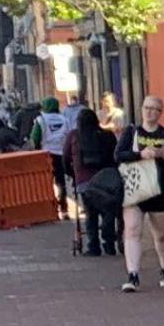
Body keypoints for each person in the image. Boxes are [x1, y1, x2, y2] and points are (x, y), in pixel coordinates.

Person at [120, 94, 164, 290]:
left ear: (160, 113)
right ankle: (133, 276)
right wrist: (140, 154)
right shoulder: (131, 133)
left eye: (155, 109)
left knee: (161, 235)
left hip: (160, 190)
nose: (150, 112)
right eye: (147, 107)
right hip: (135, 188)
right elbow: (118, 155)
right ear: (142, 109)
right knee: (132, 230)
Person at [63, 98, 119, 258]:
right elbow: (115, 157)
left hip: (84, 182)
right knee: (109, 210)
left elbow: (66, 158)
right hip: (107, 182)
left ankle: (93, 246)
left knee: (90, 213)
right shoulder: (108, 136)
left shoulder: (74, 136)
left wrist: (72, 174)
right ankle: (109, 242)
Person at [39, 91, 76, 218]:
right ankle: (64, 208)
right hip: (61, 154)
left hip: (46, 155)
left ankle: (50, 210)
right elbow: (70, 136)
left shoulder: (40, 120)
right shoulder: (64, 120)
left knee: (47, 182)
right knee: (61, 182)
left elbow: (35, 137)